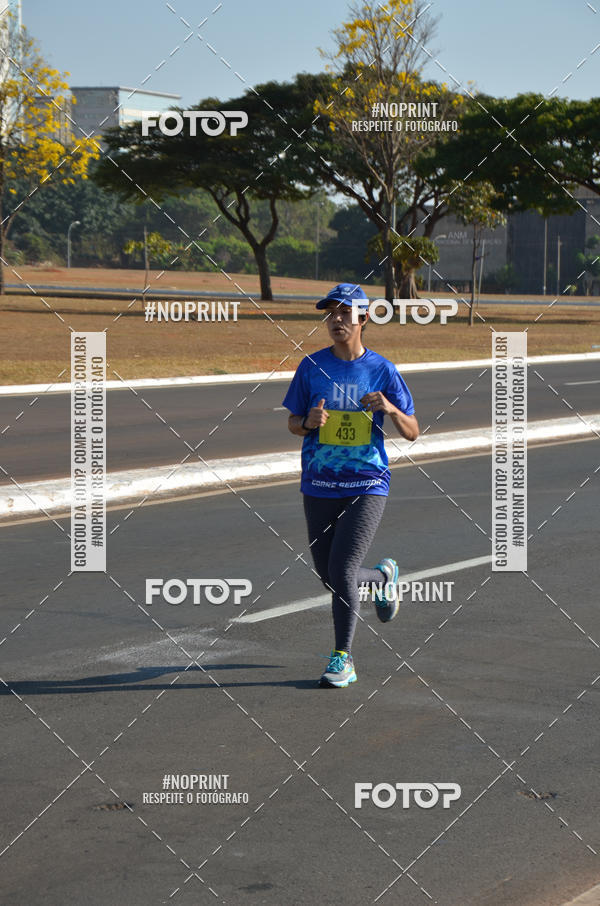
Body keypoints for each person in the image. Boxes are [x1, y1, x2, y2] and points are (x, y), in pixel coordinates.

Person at [282, 283, 419, 688]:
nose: (336, 320)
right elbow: (292, 421)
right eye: (330, 313)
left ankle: (343, 658)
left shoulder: (382, 370)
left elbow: (412, 431)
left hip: (367, 481)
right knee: (328, 575)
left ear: (363, 319)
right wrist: (307, 422)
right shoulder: (311, 367)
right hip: (319, 482)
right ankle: (382, 578)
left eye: (345, 313)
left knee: (341, 571)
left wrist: (390, 408)